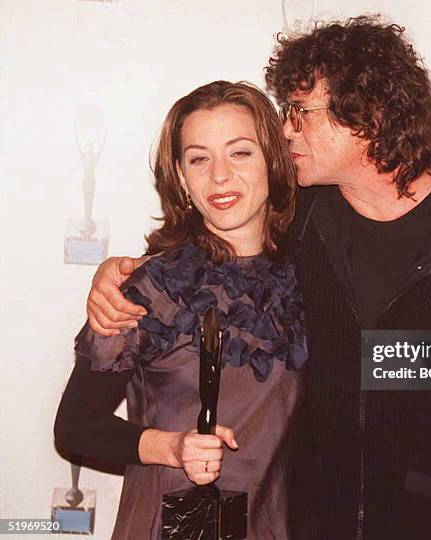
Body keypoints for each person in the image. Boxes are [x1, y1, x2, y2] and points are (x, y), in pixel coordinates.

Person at [84, 16, 431, 540]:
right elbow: (218, 246)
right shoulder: (302, 218)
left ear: (366, 115)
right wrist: (120, 273)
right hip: (310, 523)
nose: (286, 129)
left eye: (301, 112)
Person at [54, 81, 307, 539]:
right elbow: (75, 425)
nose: (220, 176)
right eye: (199, 159)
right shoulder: (153, 289)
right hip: (171, 527)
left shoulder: (312, 278)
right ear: (180, 176)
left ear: (274, 158)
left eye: (240, 153)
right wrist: (171, 447)